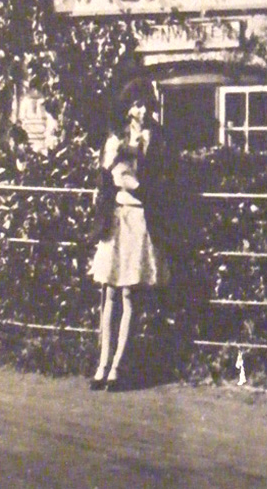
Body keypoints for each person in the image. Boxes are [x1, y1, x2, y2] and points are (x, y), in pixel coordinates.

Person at [88, 79, 170, 391]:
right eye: (137, 104)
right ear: (128, 108)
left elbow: (149, 177)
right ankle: (102, 363)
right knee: (109, 292)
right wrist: (124, 171)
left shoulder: (154, 137)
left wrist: (134, 175)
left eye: (147, 104)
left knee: (129, 293)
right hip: (117, 217)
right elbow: (114, 173)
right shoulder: (115, 138)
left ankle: (117, 367)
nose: (142, 110)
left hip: (139, 217)